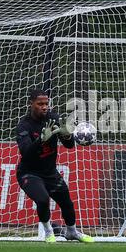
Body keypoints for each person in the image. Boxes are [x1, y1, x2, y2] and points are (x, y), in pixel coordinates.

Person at [15, 89, 94, 243]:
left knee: (66, 202)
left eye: (46, 104)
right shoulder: (24, 126)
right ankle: (48, 231)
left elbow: (69, 145)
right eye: (40, 104)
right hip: (29, 173)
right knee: (43, 199)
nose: (44, 107)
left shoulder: (54, 118)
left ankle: (72, 232)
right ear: (31, 104)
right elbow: (26, 152)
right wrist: (41, 140)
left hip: (50, 172)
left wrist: (66, 134)